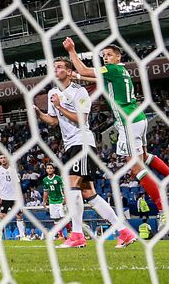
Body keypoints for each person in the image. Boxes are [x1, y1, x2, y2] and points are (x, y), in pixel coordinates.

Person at [34, 57, 136, 248]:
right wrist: (40, 115)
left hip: (82, 143)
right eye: (53, 67)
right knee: (88, 192)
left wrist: (59, 106)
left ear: (69, 71)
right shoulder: (53, 93)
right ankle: (124, 232)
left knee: (70, 186)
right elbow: (54, 121)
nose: (55, 70)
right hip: (70, 145)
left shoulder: (79, 91)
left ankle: (77, 235)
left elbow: (81, 119)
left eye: (59, 67)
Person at [64, 38, 168, 220]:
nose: (105, 57)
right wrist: (78, 77)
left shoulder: (112, 69)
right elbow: (92, 77)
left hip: (128, 122)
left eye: (109, 55)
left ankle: (163, 209)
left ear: (118, 56)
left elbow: (84, 69)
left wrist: (72, 51)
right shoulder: (120, 71)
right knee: (144, 158)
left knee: (135, 168)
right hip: (138, 118)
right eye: (103, 55)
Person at [0, 154, 30, 241]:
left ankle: (22, 236)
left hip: (15, 197)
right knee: (2, 216)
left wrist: (20, 196)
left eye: (4, 158)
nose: (3, 160)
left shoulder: (13, 170)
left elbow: (17, 184)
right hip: (3, 197)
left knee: (19, 215)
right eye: (1, 158)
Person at [42, 163, 70, 239]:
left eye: (51, 168)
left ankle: (69, 233)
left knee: (64, 218)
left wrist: (65, 198)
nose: (49, 169)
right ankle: (60, 235)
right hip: (52, 202)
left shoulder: (58, 178)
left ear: (53, 169)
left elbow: (64, 188)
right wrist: (44, 201)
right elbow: (45, 191)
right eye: (47, 168)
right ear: (46, 170)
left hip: (61, 200)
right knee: (56, 219)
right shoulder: (45, 180)